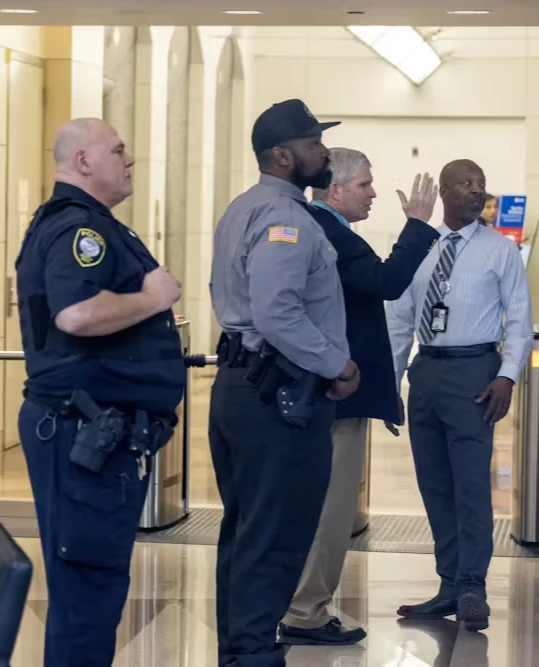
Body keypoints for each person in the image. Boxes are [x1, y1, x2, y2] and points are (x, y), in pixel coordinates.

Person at [15, 118, 186, 667]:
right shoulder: (79, 231)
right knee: (88, 589)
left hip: (93, 432)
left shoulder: (91, 224)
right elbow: (77, 314)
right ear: (83, 161)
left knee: (88, 588)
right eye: (118, 149)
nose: (129, 158)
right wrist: (153, 300)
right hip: (85, 434)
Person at [208, 98, 359, 667]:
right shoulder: (287, 220)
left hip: (244, 386)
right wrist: (338, 365)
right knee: (274, 537)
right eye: (313, 142)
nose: (323, 151)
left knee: (247, 533)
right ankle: (252, 654)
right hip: (277, 396)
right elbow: (278, 313)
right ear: (281, 155)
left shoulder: (243, 208)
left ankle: (240, 650)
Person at [279, 148, 442, 646]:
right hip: (335, 393)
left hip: (325, 390)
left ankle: (300, 604)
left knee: (316, 503)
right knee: (331, 508)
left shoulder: (321, 228)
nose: (373, 193)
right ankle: (306, 611)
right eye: (366, 185)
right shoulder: (329, 234)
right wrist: (416, 225)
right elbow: (387, 283)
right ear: (336, 189)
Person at [387, 159, 533, 633]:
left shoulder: (499, 251)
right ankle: (448, 584)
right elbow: (400, 322)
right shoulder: (421, 249)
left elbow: (519, 320)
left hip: (476, 374)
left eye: (482, 185)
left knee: (470, 486)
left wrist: (507, 376)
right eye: (466, 184)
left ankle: (472, 586)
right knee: (435, 487)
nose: (477, 192)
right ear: (445, 191)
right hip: (426, 371)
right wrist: (391, 386)